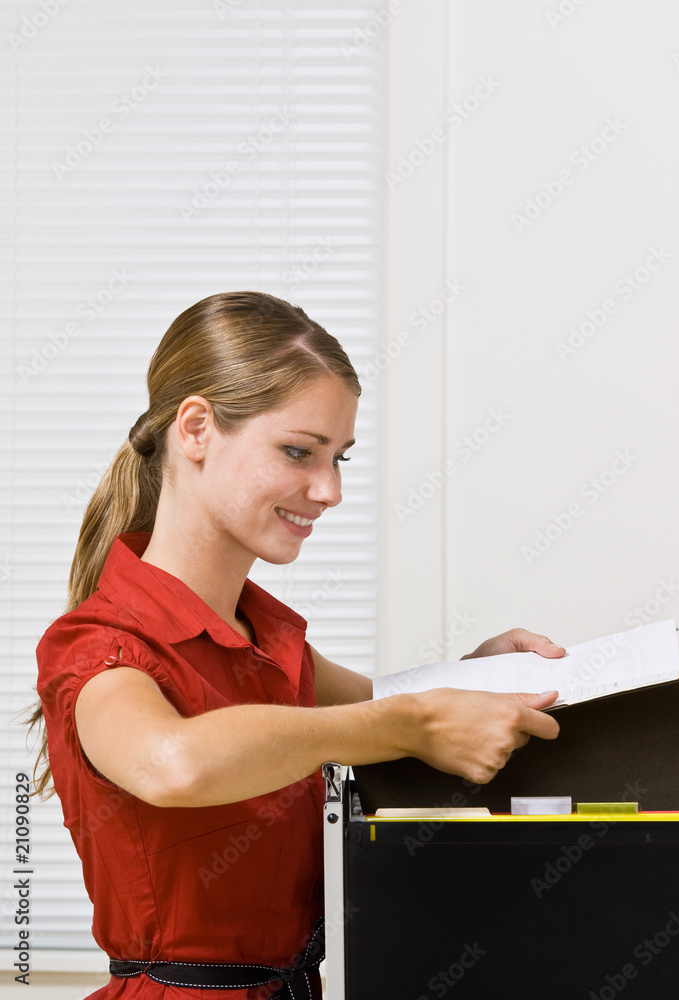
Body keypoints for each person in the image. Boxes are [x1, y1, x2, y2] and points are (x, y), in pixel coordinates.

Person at [29, 290, 564, 1000]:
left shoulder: (267, 641)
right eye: (298, 453)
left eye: (339, 458)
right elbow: (173, 765)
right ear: (195, 429)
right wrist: (408, 722)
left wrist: (476, 676)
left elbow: (385, 710)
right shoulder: (100, 647)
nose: (330, 489)